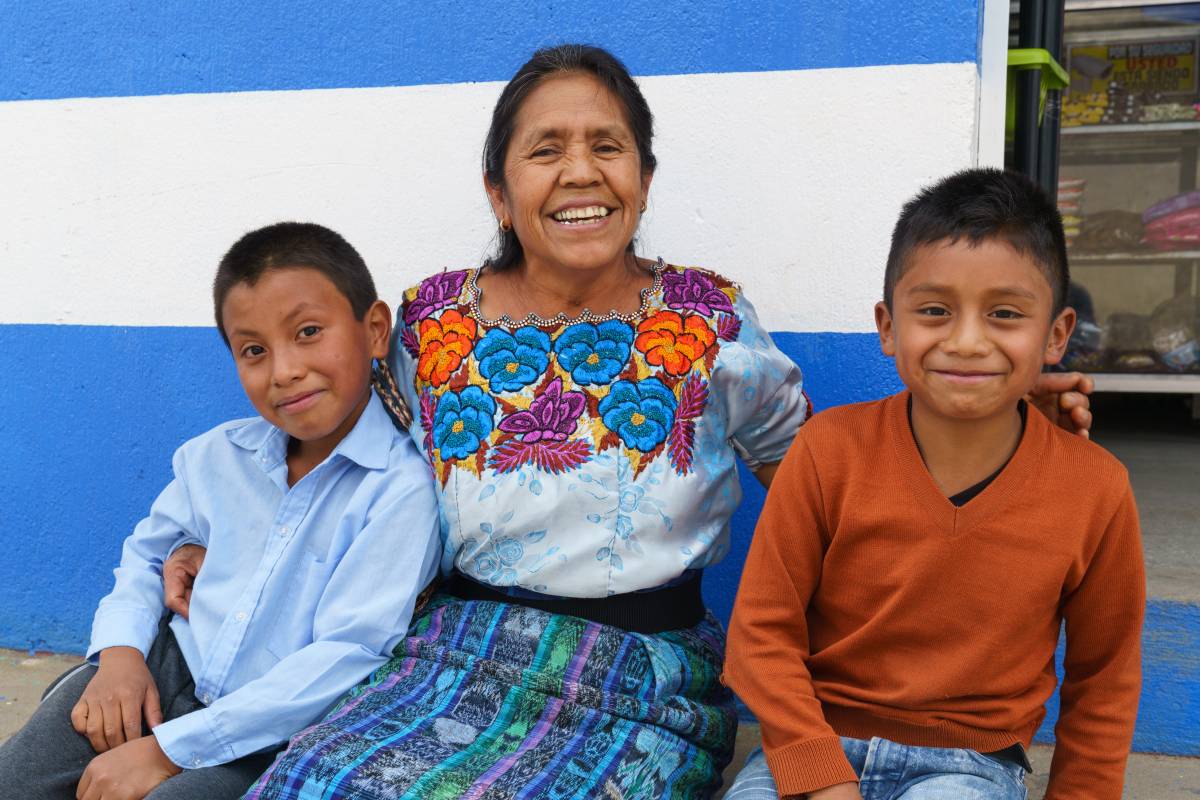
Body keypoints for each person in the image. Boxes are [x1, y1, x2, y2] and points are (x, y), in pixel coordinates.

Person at [164, 48, 1094, 800]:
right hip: (448, 652)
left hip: (642, 682)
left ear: (643, 180)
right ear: (498, 190)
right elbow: (352, 455)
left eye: (607, 146)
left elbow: (823, 476)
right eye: (546, 149)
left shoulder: (712, 320)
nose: (581, 171)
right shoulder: (429, 323)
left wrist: (990, 419)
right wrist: (245, 539)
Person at [721, 169, 1144, 800]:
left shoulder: (1095, 490)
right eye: (935, 311)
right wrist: (820, 774)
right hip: (814, 740)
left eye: (1004, 314)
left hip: (970, 766)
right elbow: (761, 630)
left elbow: (1104, 674)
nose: (967, 341)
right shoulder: (828, 450)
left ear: (1056, 335)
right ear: (888, 327)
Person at [0, 223, 440, 800]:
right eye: (254, 350)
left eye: (308, 332)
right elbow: (145, 555)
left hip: (277, 728)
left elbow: (347, 654)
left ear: (375, 330)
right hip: (166, 670)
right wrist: (121, 657)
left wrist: (165, 751)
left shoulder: (399, 488)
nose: (283, 370)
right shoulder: (215, 457)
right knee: (16, 778)